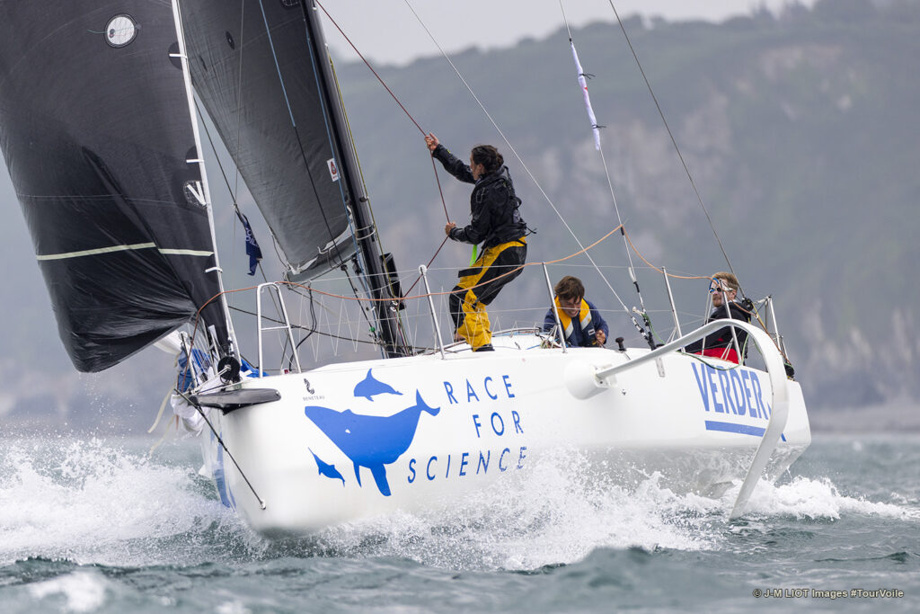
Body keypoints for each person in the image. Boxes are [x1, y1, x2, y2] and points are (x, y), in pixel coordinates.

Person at [425, 133, 528, 352]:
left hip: (505, 251)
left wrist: (453, 232)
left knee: (463, 300)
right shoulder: (496, 178)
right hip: (510, 250)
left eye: (472, 163)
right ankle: (478, 342)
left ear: (480, 166)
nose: (470, 167)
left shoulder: (489, 191)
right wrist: (439, 151)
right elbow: (462, 171)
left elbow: (475, 234)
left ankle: (479, 347)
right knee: (468, 299)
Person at [685, 272, 751, 364]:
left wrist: (675, 350)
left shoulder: (730, 314)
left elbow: (703, 339)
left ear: (732, 294)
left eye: (719, 289)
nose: (715, 293)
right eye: (712, 290)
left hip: (721, 362)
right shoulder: (732, 313)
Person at [543, 276, 609, 347]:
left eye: (577, 303)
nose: (574, 309)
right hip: (570, 356)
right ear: (560, 299)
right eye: (569, 304)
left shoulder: (589, 307)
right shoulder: (552, 318)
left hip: (592, 354)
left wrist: (603, 334)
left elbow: (602, 324)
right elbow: (554, 342)